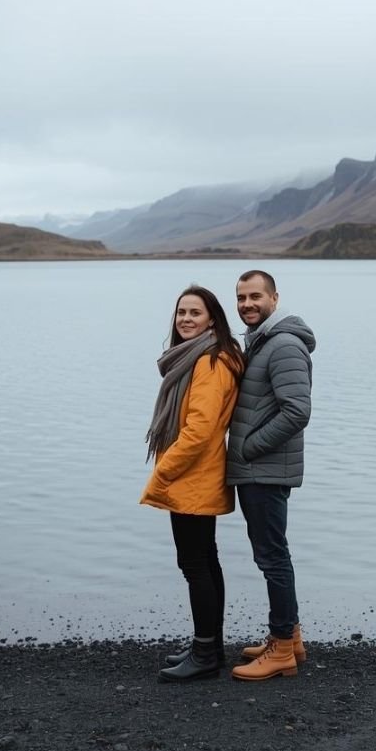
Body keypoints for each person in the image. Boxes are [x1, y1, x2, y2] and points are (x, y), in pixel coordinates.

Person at [140, 284, 244, 683]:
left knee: (195, 565)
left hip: (193, 475)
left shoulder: (210, 362)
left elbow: (200, 430)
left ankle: (205, 655)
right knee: (205, 561)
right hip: (198, 475)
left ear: (212, 319)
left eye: (194, 313)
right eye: (181, 312)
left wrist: (163, 472)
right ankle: (209, 647)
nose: (185, 319)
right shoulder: (201, 356)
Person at [226, 269, 316, 681]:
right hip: (259, 469)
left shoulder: (282, 345)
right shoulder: (261, 342)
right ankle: (290, 637)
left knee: (272, 558)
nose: (247, 304)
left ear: (275, 299)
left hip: (263, 470)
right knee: (274, 554)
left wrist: (248, 448)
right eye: (241, 297)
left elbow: (297, 411)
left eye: (255, 297)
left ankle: (281, 650)